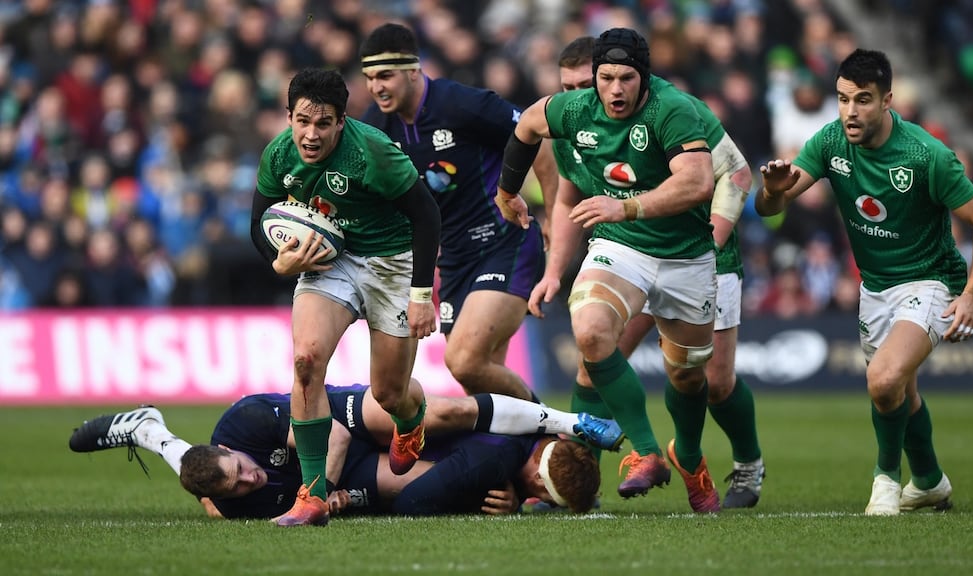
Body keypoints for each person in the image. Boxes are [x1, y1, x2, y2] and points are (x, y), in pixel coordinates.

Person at [755, 48, 973, 516]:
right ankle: (929, 481)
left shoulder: (927, 155)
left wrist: (972, 294)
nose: (850, 111)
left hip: (930, 283)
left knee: (884, 378)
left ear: (887, 100)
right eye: (843, 99)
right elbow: (772, 209)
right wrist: (772, 189)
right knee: (899, 393)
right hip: (875, 290)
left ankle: (885, 480)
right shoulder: (830, 142)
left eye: (863, 100)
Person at [495, 28, 720, 508]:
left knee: (689, 378)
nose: (615, 90)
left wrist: (627, 207)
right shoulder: (575, 109)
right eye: (606, 78)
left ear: (645, 77)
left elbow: (699, 182)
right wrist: (506, 188)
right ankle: (645, 451)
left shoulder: (672, 109)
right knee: (592, 332)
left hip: (685, 254)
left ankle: (691, 456)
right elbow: (527, 126)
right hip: (622, 247)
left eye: (626, 78)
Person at [551, 36, 765, 512]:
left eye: (591, 82)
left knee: (712, 381)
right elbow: (567, 199)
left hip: (698, 249)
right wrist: (552, 270)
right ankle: (580, 487)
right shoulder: (576, 126)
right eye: (573, 87)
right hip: (630, 248)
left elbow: (735, 173)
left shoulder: (676, 110)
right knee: (593, 357)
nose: (594, 94)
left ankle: (736, 462)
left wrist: (712, 238)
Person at [248, 67, 442, 526]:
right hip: (331, 261)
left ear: (341, 121)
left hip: (391, 262)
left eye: (323, 124)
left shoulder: (372, 152)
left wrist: (420, 295)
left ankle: (411, 418)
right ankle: (312, 495)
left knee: (389, 393)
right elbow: (259, 224)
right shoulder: (278, 155)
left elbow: (427, 216)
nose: (310, 135)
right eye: (302, 121)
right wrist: (278, 262)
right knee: (306, 361)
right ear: (289, 116)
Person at [359, 23, 554, 401]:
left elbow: (536, 140)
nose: (376, 87)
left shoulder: (463, 104)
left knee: (463, 361)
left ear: (414, 70)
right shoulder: (373, 128)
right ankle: (530, 456)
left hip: (504, 242)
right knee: (480, 382)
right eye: (368, 78)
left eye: (385, 75)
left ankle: (554, 429)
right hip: (452, 261)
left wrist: (553, 218)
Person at [69, 385, 610, 518]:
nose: (249, 481)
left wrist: (317, 491)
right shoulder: (230, 495)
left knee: (433, 412)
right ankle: (151, 433)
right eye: (237, 485)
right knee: (422, 486)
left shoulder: (247, 423)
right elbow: (216, 489)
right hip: (339, 472)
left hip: (337, 417)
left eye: (242, 471)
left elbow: (331, 435)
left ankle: (570, 421)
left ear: (231, 449)